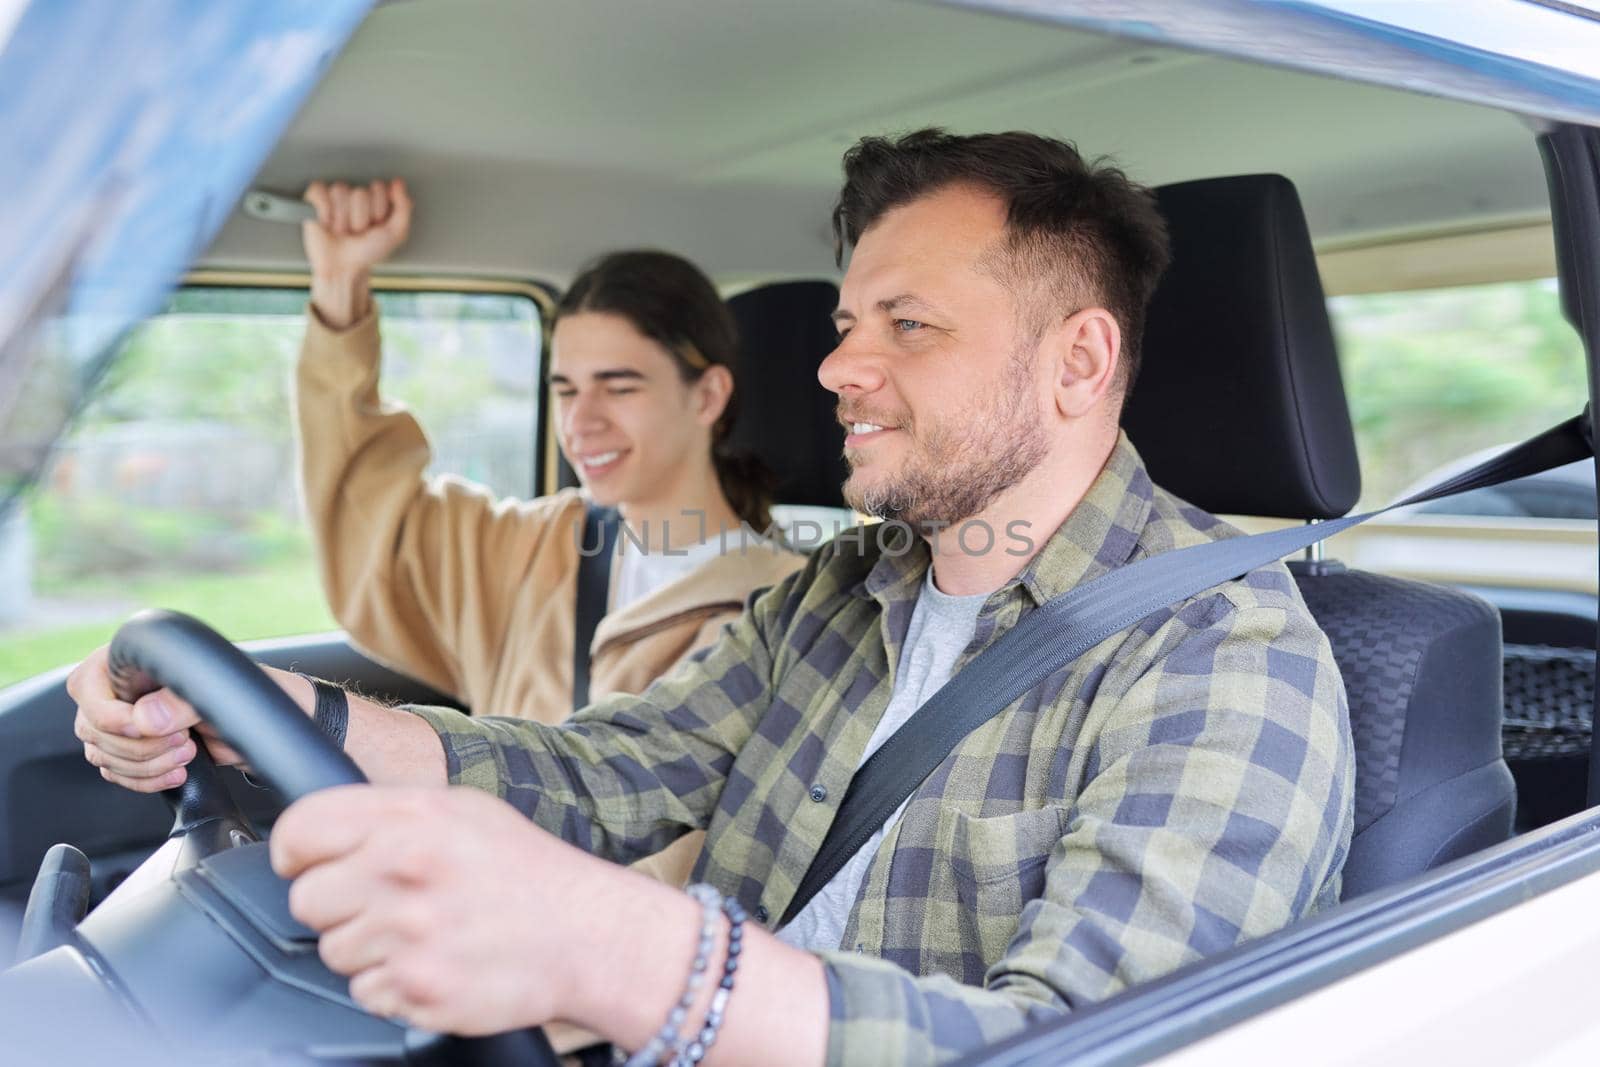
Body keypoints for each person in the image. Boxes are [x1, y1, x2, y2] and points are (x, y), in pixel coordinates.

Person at [71, 129, 1355, 1066]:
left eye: (906, 324)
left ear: (1078, 360)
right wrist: (290, 713)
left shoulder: (1225, 659)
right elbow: (603, 772)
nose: (838, 365)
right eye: (847, 320)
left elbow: (1096, 1044)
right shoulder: (843, 591)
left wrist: (626, 952)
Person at [294, 183, 805, 883]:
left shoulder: (785, 607)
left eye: (619, 387)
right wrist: (340, 285)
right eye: (565, 388)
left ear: (708, 395)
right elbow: (369, 522)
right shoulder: (533, 546)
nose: (581, 422)